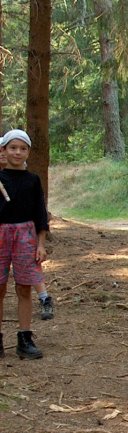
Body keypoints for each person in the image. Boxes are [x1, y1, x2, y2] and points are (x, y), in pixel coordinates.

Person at [0, 129, 49, 359]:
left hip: (26, 236)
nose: (17, 152)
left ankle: (25, 338)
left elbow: (40, 214)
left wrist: (41, 244)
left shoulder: (32, 180)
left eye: (22, 148)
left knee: (24, 288)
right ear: (4, 150)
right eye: (13, 148)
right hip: (1, 235)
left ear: (28, 152)